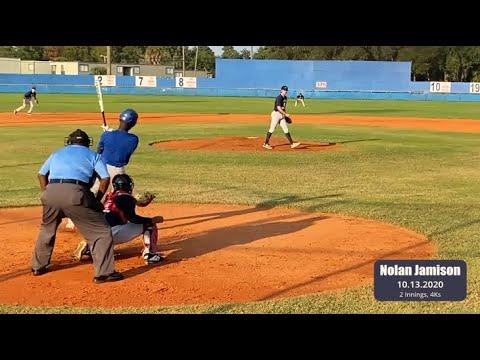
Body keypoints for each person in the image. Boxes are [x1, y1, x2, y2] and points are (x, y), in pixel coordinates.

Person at [32, 129, 123, 284]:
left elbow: (41, 174)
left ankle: (37, 267)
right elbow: (105, 178)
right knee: (101, 232)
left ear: (69, 142)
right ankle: (104, 273)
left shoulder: (57, 153)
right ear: (87, 143)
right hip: (76, 193)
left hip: (51, 193)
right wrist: (96, 200)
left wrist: (47, 191)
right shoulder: (94, 155)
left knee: (47, 228)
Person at [65, 109, 140, 230]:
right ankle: (117, 220)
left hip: (101, 169)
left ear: (120, 118)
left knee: (91, 193)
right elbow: (124, 151)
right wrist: (110, 133)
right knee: (119, 197)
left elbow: (99, 151)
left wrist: (107, 134)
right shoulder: (134, 139)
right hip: (118, 172)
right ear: (133, 123)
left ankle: (73, 220)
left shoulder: (107, 135)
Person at [72, 174, 165, 265]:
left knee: (115, 221)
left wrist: (136, 202)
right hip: (112, 232)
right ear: (128, 185)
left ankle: (90, 247)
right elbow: (133, 219)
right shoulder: (128, 198)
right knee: (149, 225)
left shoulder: (109, 196)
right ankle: (150, 255)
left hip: (96, 232)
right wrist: (151, 220)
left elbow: (121, 206)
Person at [262, 85, 300, 150]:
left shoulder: (285, 98)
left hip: (281, 115)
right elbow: (278, 108)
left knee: (286, 129)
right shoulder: (279, 98)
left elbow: (283, 108)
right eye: (284, 90)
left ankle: (292, 144)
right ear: (281, 90)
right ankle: (266, 144)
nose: (285, 91)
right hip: (276, 114)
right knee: (272, 129)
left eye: (286, 90)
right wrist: (285, 114)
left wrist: (284, 116)